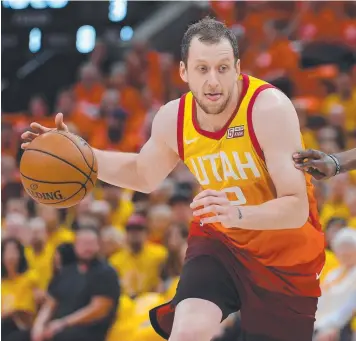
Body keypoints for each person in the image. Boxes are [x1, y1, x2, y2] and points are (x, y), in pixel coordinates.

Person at [22, 17, 324, 341]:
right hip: (221, 240)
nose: (213, 82)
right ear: (183, 72)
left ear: (237, 68)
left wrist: (239, 214)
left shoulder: (268, 109)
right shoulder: (173, 118)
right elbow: (143, 174)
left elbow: (295, 208)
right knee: (187, 332)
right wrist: (80, 155)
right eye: (202, 69)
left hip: (285, 253)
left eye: (223, 68)